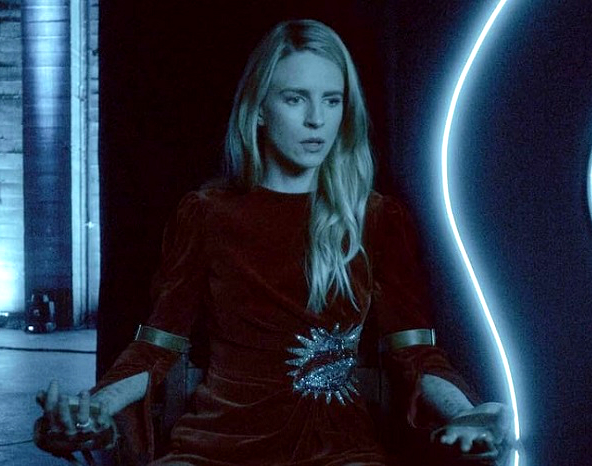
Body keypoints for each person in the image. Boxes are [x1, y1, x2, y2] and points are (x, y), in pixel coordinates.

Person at [33, 19, 512, 465]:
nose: (316, 119)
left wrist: (466, 413)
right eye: (295, 99)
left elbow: (415, 354)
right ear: (260, 108)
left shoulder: (378, 220)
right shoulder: (207, 214)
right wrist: (94, 408)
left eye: (332, 100)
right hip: (217, 442)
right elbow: (156, 348)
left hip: (337, 446)